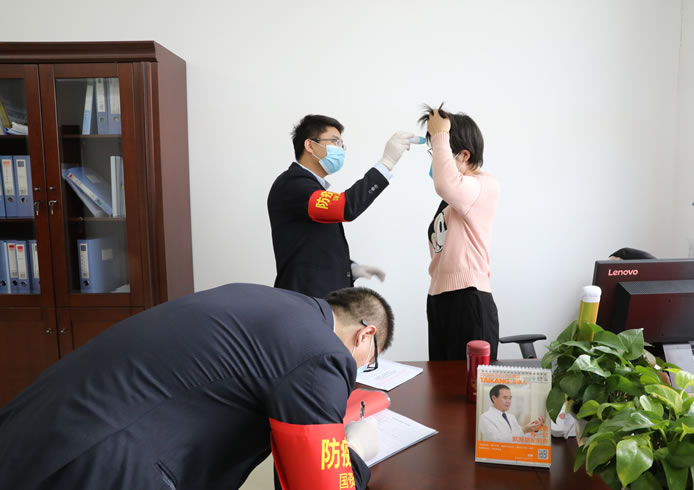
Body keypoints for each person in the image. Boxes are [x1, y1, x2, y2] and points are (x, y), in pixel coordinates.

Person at [0, 283, 394, 490]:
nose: (357, 370)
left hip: (36, 428)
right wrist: (356, 452)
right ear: (366, 335)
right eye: (368, 361)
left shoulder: (262, 299)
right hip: (102, 467)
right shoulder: (322, 353)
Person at [268, 114, 417, 298]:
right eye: (335, 142)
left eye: (341, 144)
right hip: (305, 300)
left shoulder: (311, 188)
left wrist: (349, 268)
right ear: (310, 145)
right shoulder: (293, 184)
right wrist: (387, 163)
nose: (340, 149)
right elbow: (345, 207)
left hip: (320, 299)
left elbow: (314, 244)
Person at [419, 105, 501, 360]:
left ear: (464, 155)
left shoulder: (482, 185)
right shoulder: (452, 201)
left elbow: (445, 183)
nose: (436, 159)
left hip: (469, 299)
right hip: (440, 299)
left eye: (439, 150)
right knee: (441, 382)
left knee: (469, 383)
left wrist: (440, 134)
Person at [479, 384, 545, 443]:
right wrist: (524, 430)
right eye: (505, 398)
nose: (509, 401)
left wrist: (535, 429)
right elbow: (496, 441)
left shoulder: (511, 417)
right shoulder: (485, 418)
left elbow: (521, 438)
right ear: (494, 398)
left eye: (510, 398)